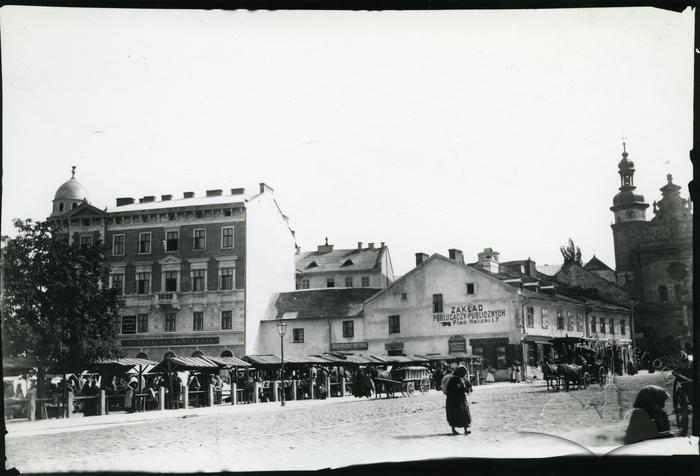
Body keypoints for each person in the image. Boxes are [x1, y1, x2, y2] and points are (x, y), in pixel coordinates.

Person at [445, 365, 472, 435]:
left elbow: (449, 390)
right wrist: (466, 389)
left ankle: (454, 429)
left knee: (453, 415)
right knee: (464, 414)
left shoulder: (452, 379)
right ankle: (465, 430)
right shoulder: (458, 379)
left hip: (451, 400)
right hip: (459, 400)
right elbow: (462, 388)